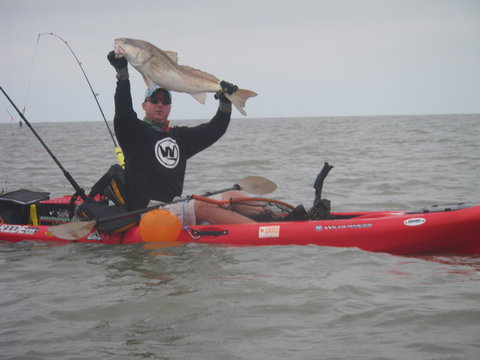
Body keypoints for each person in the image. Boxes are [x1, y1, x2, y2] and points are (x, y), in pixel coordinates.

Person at [107, 51, 255, 225]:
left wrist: (225, 101)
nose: (160, 104)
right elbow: (123, 111)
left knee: (233, 196)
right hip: (147, 213)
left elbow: (216, 129)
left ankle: (278, 219)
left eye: (165, 100)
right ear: (144, 105)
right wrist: (122, 75)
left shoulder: (180, 138)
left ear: (170, 106)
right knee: (201, 207)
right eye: (154, 99)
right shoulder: (134, 133)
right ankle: (263, 231)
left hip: (174, 206)